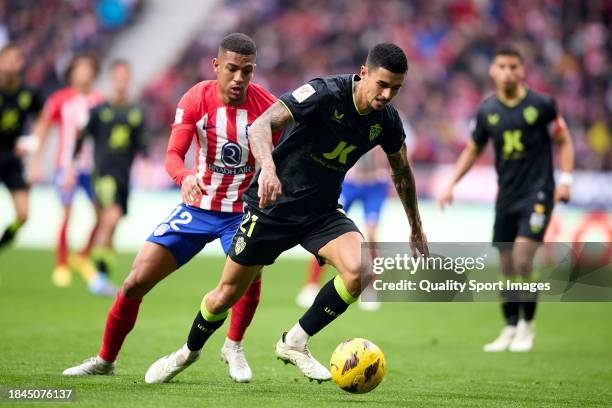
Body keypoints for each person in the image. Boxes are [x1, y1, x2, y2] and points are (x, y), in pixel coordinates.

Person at [145, 42, 428, 384]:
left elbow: (402, 172)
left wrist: (416, 227)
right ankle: (187, 352)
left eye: (395, 88)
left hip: (321, 213)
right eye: (382, 84)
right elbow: (261, 125)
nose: (387, 94)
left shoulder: (387, 122)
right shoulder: (324, 93)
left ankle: (295, 341)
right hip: (272, 207)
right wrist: (267, 168)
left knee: (361, 269)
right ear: (364, 73)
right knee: (225, 296)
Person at [63, 33, 280, 383]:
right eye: (232, 69)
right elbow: (173, 156)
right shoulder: (196, 97)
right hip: (198, 208)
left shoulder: (267, 108)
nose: (239, 78)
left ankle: (234, 345)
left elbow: (284, 155)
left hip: (241, 213)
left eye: (248, 71)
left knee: (250, 276)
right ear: (216, 66)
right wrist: (184, 178)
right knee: (134, 282)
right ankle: (105, 360)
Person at [438, 46, 574, 352]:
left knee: (524, 258)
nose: (508, 72)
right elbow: (473, 150)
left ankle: (528, 325)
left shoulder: (541, 105)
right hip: (507, 196)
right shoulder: (488, 111)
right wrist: (451, 184)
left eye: (514, 66)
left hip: (538, 193)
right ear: (492, 71)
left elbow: (564, 140)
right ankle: (510, 326)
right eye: (502, 66)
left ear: (522, 70)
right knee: (506, 264)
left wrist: (565, 180)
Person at [64, 59, 148, 295]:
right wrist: (70, 167)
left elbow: (143, 145)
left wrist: (143, 165)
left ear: (129, 80)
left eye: (125, 77)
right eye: (117, 77)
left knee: (111, 227)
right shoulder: (98, 111)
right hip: (103, 174)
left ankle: (102, 276)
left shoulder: (136, 112)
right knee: (110, 218)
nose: (121, 81)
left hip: (123, 177)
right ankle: (95, 274)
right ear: (112, 79)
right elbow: (80, 139)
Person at [29, 54, 104, 289]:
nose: (84, 74)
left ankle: (81, 255)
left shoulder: (99, 101)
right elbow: (43, 127)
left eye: (88, 70)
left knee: (101, 215)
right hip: (67, 166)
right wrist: (36, 161)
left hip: (92, 167)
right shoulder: (59, 99)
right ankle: (61, 264)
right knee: (67, 214)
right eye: (79, 70)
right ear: (71, 73)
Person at [296, 147, 390, 311]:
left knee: (372, 236)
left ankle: (371, 289)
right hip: (351, 182)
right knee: (327, 230)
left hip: (374, 184)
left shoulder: (385, 124)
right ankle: (311, 285)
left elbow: (396, 153)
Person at [0, 43, 44, 250]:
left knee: (23, 215)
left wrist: (32, 142)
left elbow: (44, 119)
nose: (11, 65)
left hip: (12, 159)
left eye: (15, 60)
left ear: (20, 64)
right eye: (7, 60)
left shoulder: (29, 93)